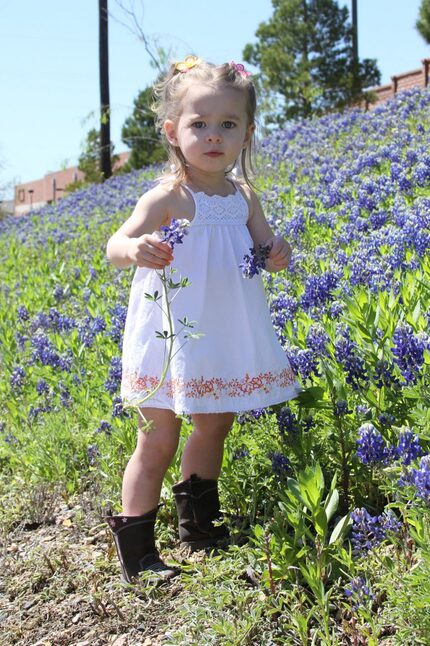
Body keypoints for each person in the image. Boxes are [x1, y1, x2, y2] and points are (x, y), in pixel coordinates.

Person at [105, 56, 302, 584]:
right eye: (199, 125)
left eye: (228, 125)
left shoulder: (243, 196)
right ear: (173, 131)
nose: (214, 136)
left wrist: (276, 251)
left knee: (216, 421)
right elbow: (114, 244)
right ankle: (138, 548)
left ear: (247, 132)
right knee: (158, 436)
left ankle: (198, 524)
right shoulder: (169, 196)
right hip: (171, 333)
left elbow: (265, 245)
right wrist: (136, 248)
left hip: (225, 329)